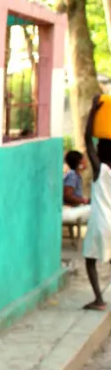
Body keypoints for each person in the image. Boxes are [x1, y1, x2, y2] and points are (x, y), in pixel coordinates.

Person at [82, 96, 111, 310]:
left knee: (91, 260)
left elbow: (87, 139)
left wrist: (93, 111)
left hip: (101, 222)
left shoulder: (101, 170)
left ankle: (99, 300)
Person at [62, 150, 92, 224]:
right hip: (68, 211)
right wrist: (84, 201)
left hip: (72, 210)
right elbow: (67, 196)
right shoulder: (72, 175)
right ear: (79, 162)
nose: (86, 161)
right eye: (84, 159)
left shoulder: (75, 175)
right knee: (97, 209)